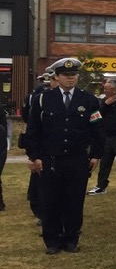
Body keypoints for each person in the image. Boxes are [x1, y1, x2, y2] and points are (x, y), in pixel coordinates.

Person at [22, 58, 104, 253]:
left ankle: (71, 239)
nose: (70, 79)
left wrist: (95, 155)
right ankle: (52, 240)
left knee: (74, 200)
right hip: (50, 158)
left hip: (77, 159)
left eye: (73, 75)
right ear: (57, 77)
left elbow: (97, 130)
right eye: (66, 76)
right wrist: (34, 156)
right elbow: (33, 131)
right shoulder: (44, 99)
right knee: (50, 200)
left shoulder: (88, 99)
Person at [89, 78, 116, 195]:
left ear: (114, 90)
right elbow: (94, 118)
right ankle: (101, 186)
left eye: (107, 89)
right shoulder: (102, 102)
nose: (105, 91)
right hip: (106, 137)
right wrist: (105, 105)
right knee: (104, 163)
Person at [21, 72, 53, 222]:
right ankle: (43, 214)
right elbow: (31, 124)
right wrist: (32, 155)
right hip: (43, 147)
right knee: (40, 184)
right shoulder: (39, 97)